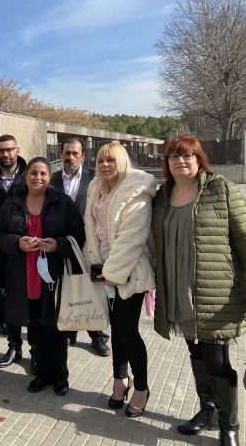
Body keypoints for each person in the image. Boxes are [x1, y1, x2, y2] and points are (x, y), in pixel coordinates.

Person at [153, 136, 246, 444]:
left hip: (213, 290)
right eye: (174, 157)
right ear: (166, 164)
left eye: (188, 156)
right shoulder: (162, 196)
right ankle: (205, 409)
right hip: (177, 286)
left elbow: (243, 237)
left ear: (199, 160)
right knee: (195, 350)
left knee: (217, 357)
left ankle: (228, 425)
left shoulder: (220, 188)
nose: (181, 161)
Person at [0, 157, 84, 396]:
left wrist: (58, 245)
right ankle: (41, 373)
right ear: (26, 176)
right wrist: (17, 243)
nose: (38, 178)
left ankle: (60, 375)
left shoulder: (62, 202)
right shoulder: (12, 203)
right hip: (23, 275)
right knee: (34, 328)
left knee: (55, 329)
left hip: (53, 275)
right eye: (34, 173)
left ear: (49, 177)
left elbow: (79, 234)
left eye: (43, 173)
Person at [83, 143, 155, 417]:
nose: (104, 165)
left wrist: (112, 273)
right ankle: (119, 379)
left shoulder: (135, 190)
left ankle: (142, 387)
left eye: (111, 160)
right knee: (116, 327)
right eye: (101, 160)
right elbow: (93, 230)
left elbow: (133, 237)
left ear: (122, 161)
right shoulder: (96, 188)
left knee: (128, 330)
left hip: (129, 271)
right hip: (104, 270)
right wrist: (98, 266)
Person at [50, 137, 110, 357]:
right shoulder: (52, 178)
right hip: (60, 244)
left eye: (75, 153)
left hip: (89, 245)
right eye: (67, 153)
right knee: (67, 287)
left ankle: (98, 335)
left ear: (83, 155)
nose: (70, 157)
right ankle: (69, 330)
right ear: (61, 154)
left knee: (92, 288)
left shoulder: (95, 177)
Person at [0, 134, 27, 364]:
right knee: (5, 296)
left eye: (9, 150)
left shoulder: (30, 175)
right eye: (1, 151)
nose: (5, 154)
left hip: (25, 246)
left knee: (30, 297)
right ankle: (14, 346)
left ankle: (37, 350)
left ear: (17, 150)